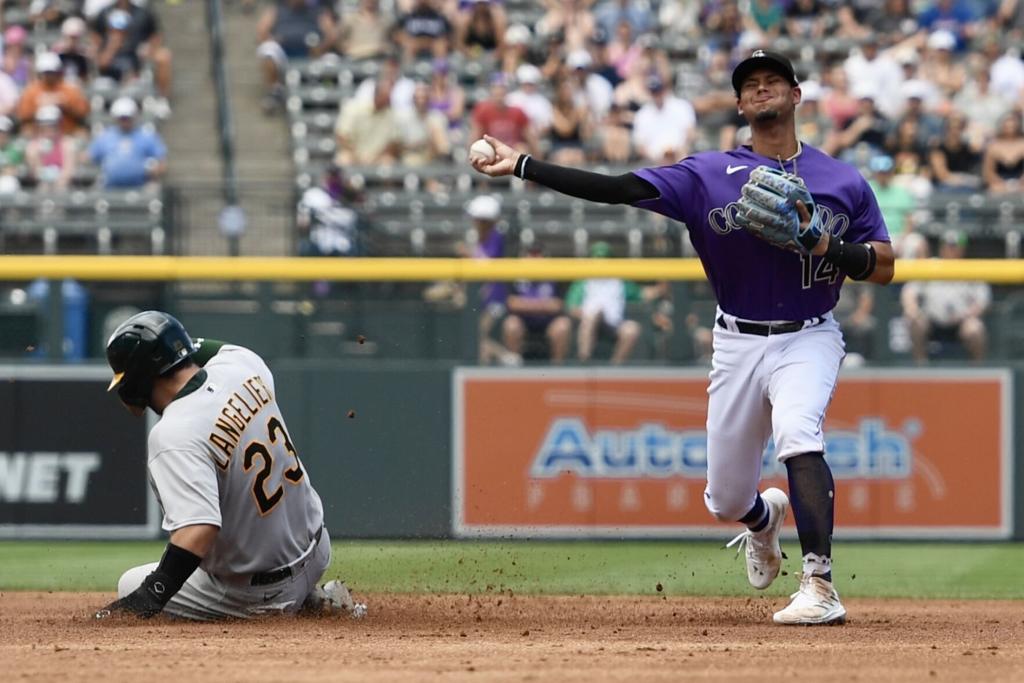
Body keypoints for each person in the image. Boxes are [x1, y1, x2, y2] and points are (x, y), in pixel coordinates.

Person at [471, 49, 895, 625]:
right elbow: (618, 187)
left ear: (797, 96)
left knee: (798, 433)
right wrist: (523, 164)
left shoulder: (841, 180)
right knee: (724, 499)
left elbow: (887, 265)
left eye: (775, 81)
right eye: (751, 85)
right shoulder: (705, 175)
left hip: (809, 334)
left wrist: (827, 247)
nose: (762, 89)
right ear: (741, 105)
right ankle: (764, 522)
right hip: (737, 340)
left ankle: (819, 584)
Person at [94, 310, 366, 620]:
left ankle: (291, 604)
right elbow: (206, 349)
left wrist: (150, 595)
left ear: (138, 380)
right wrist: (175, 344)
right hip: (317, 552)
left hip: (258, 593)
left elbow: (199, 530)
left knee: (129, 584)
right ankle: (311, 598)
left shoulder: (173, 434)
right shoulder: (241, 364)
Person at [565, 241, 666, 364]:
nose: (601, 263)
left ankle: (615, 367)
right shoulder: (582, 282)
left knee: (631, 329)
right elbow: (572, 307)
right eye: (597, 258)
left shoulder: (620, 281)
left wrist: (662, 283)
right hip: (588, 321)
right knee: (592, 317)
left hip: (614, 323)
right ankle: (584, 361)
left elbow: (642, 294)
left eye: (605, 259)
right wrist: (591, 314)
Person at [901, 231, 990, 363]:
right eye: (948, 245)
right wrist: (912, 309)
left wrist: (968, 314)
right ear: (941, 247)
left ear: (963, 248)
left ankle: (977, 370)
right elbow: (909, 291)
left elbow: (983, 300)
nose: (952, 249)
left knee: (975, 328)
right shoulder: (931, 265)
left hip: (961, 323)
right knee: (916, 323)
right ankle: (920, 368)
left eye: (955, 245)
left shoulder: (970, 268)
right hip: (933, 321)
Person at [90, 0, 175, 116]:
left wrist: (148, 51)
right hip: (110, 81)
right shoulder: (105, 15)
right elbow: (101, 63)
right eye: (115, 29)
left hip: (132, 81)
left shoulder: (134, 46)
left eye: (122, 29)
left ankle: (161, 101)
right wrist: (112, 46)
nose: (119, 32)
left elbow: (137, 66)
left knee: (162, 57)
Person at [256, 0, 338, 114]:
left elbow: (332, 34)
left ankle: (328, 94)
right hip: (284, 53)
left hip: (312, 54)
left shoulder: (319, 10)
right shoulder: (277, 9)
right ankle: (275, 90)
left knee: (332, 60)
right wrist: (273, 39)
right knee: (268, 48)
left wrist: (321, 47)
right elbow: (261, 31)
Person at [502, 244, 572, 363]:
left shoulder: (554, 277)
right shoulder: (517, 277)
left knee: (563, 325)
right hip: (524, 322)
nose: (534, 259)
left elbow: (558, 305)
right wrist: (543, 305)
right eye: (531, 255)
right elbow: (512, 303)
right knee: (511, 324)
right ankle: (514, 366)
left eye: (538, 255)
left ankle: (557, 368)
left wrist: (527, 304)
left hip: (548, 323)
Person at [88, 97, 167, 189]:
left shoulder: (146, 136)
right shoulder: (105, 136)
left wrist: (155, 171)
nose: (125, 121)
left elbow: (162, 161)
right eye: (122, 118)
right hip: (109, 186)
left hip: (141, 185)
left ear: (134, 117)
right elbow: (89, 156)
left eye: (127, 118)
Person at [15, 52, 90, 137]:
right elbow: (22, 114)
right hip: (36, 135)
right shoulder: (32, 91)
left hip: (66, 134)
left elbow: (83, 111)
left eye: (51, 72)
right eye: (46, 72)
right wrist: (39, 106)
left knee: (81, 134)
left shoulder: (69, 89)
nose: (49, 76)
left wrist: (64, 105)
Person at [25, 105, 77, 192]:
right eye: (44, 125)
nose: (48, 129)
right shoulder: (32, 146)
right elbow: (35, 171)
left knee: (61, 190)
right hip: (42, 184)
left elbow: (69, 169)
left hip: (62, 184)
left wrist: (59, 181)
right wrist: (39, 155)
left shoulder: (67, 144)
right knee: (43, 189)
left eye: (52, 125)